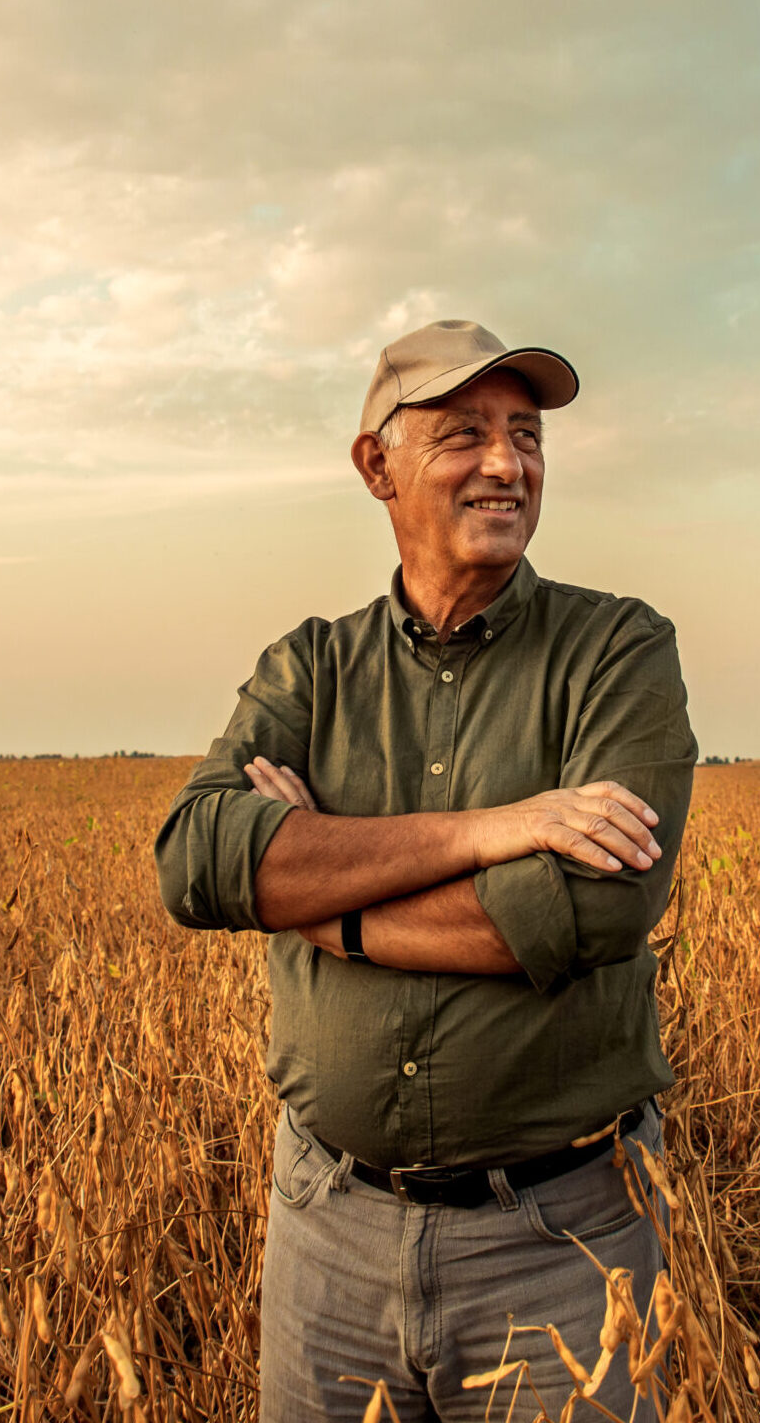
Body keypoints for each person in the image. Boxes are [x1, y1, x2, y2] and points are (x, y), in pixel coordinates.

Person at [154, 318, 696, 1421]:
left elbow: (590, 903)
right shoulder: (310, 666)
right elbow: (197, 858)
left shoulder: (617, 651)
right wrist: (491, 828)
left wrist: (326, 907)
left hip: (559, 1242)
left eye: (524, 435)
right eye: (463, 434)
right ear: (376, 466)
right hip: (327, 1229)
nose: (507, 463)